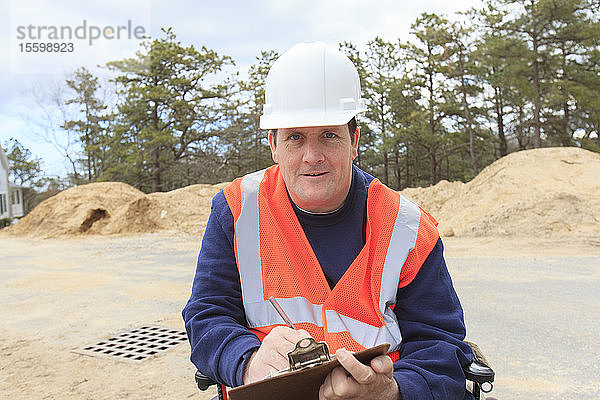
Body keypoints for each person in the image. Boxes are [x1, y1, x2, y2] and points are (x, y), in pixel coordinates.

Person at [183, 41, 473, 400]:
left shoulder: (407, 229)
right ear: (273, 144)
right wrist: (247, 362)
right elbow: (207, 315)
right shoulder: (237, 211)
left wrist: (393, 392)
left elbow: (440, 346)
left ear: (355, 140)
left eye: (329, 135)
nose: (312, 156)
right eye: (295, 138)